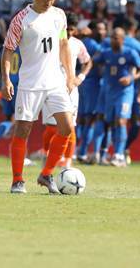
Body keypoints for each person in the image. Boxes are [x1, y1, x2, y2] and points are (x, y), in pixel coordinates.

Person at [1, 0, 76, 194]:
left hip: (55, 82)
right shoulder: (21, 20)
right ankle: (17, 180)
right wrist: (6, 79)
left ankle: (46, 174)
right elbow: (7, 51)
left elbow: (63, 45)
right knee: (23, 129)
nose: (49, 2)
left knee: (67, 127)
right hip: (30, 83)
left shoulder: (59, 15)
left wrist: (70, 76)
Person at [41, 13, 92, 169]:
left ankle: (67, 162)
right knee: (51, 127)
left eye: (72, 29)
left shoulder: (77, 44)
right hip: (51, 87)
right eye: (67, 28)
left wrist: (80, 78)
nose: (69, 32)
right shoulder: (51, 42)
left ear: (75, 30)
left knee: (70, 126)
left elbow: (88, 62)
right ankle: (46, 155)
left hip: (70, 90)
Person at [92, 27, 140, 167]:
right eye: (112, 37)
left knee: (121, 121)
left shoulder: (130, 52)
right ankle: (105, 153)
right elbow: (92, 62)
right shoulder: (106, 53)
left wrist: (131, 77)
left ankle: (119, 155)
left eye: (116, 37)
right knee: (110, 122)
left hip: (125, 92)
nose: (113, 39)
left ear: (122, 39)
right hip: (109, 91)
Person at [117, 19, 140, 165]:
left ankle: (117, 151)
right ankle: (120, 151)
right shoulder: (138, 45)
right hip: (134, 88)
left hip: (118, 86)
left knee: (114, 121)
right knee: (134, 123)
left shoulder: (112, 42)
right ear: (134, 29)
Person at [76, 21, 107, 164]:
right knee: (91, 119)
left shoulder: (82, 41)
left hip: (80, 81)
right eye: (99, 29)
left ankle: (76, 150)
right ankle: (82, 152)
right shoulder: (96, 46)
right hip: (92, 83)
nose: (102, 32)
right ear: (92, 30)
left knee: (80, 118)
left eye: (104, 29)